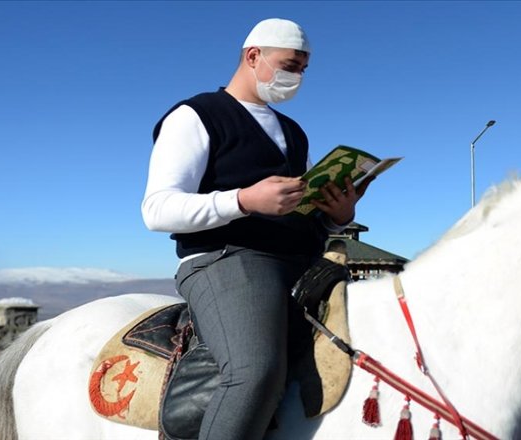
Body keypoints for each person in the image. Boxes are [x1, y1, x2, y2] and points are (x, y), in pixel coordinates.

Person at [142, 18, 370, 440]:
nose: (297, 77)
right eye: (290, 65)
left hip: (304, 261)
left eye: (303, 69)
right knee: (255, 372)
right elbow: (156, 209)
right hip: (228, 259)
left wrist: (336, 213)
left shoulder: (293, 133)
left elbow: (296, 210)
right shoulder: (195, 115)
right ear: (253, 57)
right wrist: (243, 200)